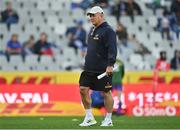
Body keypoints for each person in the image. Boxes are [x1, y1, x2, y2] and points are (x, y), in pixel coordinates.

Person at [79, 6, 117, 127]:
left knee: (106, 92)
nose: (91, 18)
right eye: (90, 15)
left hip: (103, 68)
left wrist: (110, 64)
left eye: (93, 15)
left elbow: (112, 49)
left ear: (101, 15)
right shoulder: (92, 29)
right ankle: (89, 117)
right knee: (83, 89)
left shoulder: (108, 30)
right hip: (89, 67)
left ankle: (108, 119)